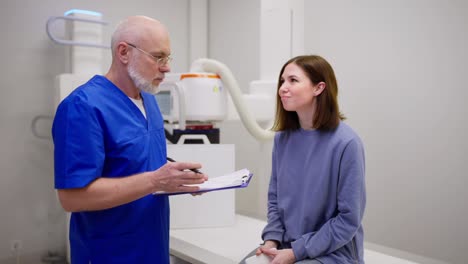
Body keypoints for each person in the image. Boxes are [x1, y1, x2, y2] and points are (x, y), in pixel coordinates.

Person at [52, 16, 208, 264]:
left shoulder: (150, 101)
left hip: (152, 248)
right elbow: (72, 197)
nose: (166, 67)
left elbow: (134, 159)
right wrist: (156, 180)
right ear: (123, 52)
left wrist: (177, 179)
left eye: (167, 58)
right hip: (109, 253)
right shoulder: (83, 107)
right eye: (158, 57)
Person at [246, 55, 366, 264]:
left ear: (318, 88)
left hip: (333, 252)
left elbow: (348, 220)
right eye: (282, 81)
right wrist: (272, 240)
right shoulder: (283, 139)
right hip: (287, 245)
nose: (283, 88)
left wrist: (296, 252)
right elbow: (275, 199)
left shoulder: (346, 143)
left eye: (293, 80)